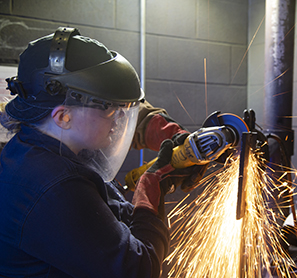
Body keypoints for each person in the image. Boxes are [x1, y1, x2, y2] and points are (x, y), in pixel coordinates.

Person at [0, 27, 199, 278]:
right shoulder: (55, 186)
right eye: (108, 109)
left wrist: (171, 139)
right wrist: (150, 191)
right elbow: (139, 270)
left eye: (120, 110)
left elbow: (109, 219)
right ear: (63, 116)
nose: (118, 119)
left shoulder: (41, 148)